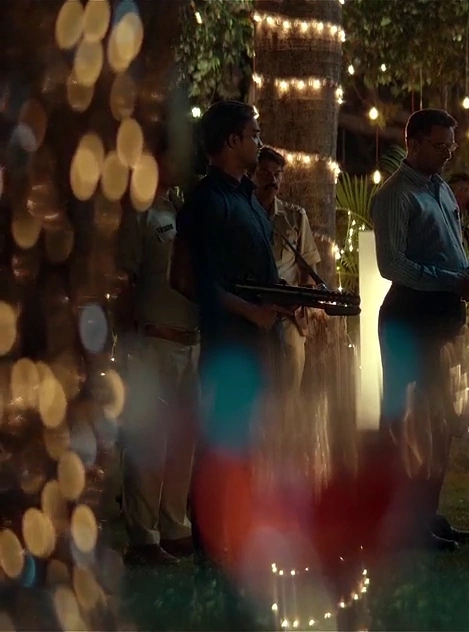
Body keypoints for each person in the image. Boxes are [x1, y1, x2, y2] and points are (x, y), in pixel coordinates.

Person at [171, 100, 291, 557]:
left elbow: (257, 272)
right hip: (229, 345)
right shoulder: (207, 200)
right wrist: (250, 311)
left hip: (257, 344)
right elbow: (190, 279)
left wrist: (284, 300)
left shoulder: (247, 199)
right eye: (254, 134)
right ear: (232, 140)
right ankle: (213, 545)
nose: (259, 142)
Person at [371, 108, 469, 551]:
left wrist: (468, 272)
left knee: (441, 422)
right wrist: (450, 280)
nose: (447, 154)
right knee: (409, 422)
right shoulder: (395, 195)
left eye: (451, 147)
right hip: (410, 318)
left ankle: (427, 513)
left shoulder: (442, 188)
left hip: (444, 317)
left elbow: (447, 247)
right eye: (439, 146)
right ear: (413, 142)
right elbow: (391, 265)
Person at [116, 133, 199, 565]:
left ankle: (174, 525)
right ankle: (143, 537)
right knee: (149, 439)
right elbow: (124, 279)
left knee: (182, 441)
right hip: (152, 341)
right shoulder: (138, 211)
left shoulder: (182, 208)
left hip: (190, 342)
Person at [252, 147, 324, 398]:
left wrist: (300, 301)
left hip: (288, 318)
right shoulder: (241, 214)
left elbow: (308, 267)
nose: (272, 180)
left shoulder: (294, 217)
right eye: (265, 173)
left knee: (288, 396)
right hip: (252, 316)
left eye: (277, 174)